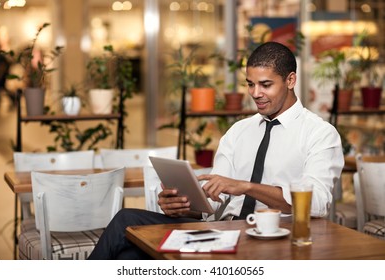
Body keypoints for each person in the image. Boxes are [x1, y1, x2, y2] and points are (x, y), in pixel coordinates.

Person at [88, 42, 344, 260]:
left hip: (275, 238)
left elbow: (318, 203)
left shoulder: (319, 134)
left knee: (127, 251)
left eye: (266, 85)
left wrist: (246, 187)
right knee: (127, 231)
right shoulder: (238, 132)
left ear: (290, 80)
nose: (256, 94)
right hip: (221, 231)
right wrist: (184, 206)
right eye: (250, 84)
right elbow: (214, 200)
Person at [0, 43, 13, 111]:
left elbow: (3, 66)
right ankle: (13, 98)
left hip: (3, 75)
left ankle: (12, 98)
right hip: (2, 75)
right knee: (2, 88)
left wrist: (0, 76)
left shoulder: (0, 56)